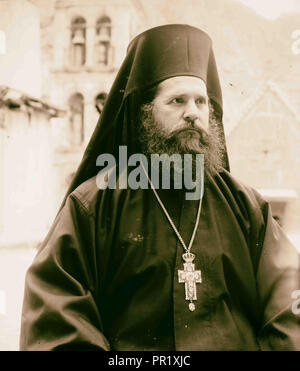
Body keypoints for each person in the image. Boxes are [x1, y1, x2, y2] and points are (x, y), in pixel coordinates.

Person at [20, 24, 300, 351]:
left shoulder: (245, 204)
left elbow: (288, 303)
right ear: (145, 113)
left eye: (201, 102)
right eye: (177, 101)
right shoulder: (94, 205)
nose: (193, 113)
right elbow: (56, 317)